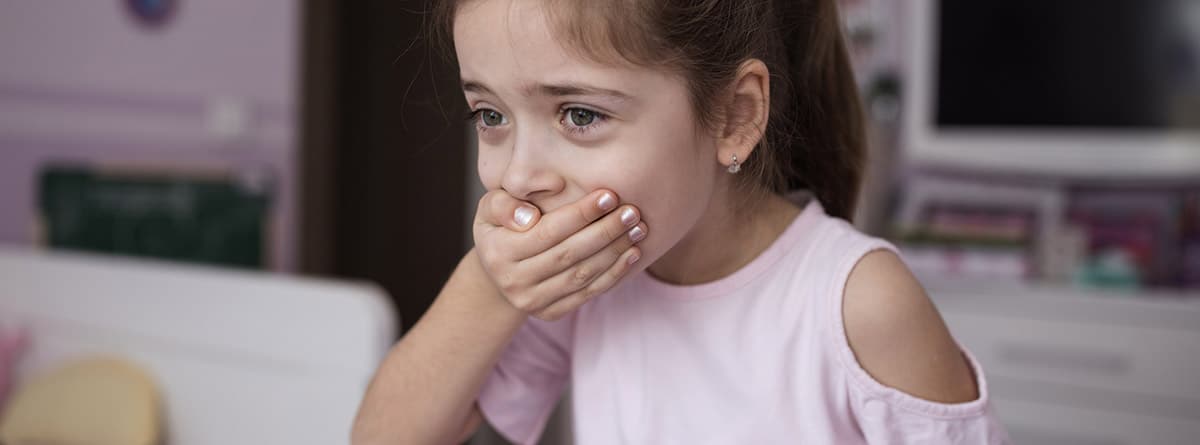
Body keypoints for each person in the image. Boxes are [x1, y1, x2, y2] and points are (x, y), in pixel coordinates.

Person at [352, 0, 1010, 443]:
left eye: (580, 115)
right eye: (490, 116)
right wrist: (489, 285)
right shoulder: (585, 290)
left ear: (735, 117)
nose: (519, 176)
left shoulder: (858, 302)